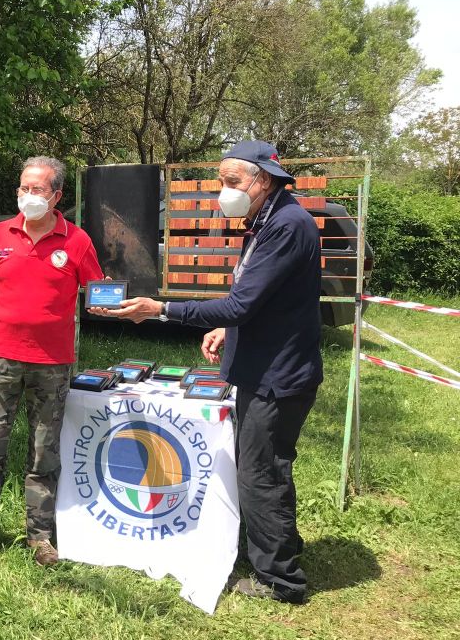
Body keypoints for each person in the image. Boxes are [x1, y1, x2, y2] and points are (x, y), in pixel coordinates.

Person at [89, 140, 321, 604]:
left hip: (277, 377)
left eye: (232, 181)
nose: (223, 191)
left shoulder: (286, 225)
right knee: (266, 467)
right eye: (220, 181)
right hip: (265, 367)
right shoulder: (269, 219)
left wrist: (161, 309)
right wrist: (227, 330)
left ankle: (280, 579)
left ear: (263, 179)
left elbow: (241, 304)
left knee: (260, 474)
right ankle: (280, 546)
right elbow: (261, 301)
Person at [0, 156, 104, 571]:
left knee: (44, 453)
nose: (27, 195)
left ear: (57, 196)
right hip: (1, 359)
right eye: (23, 187)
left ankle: (40, 536)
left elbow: (99, 292)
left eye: (36, 189)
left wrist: (117, 303)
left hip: (52, 365)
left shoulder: (77, 241)